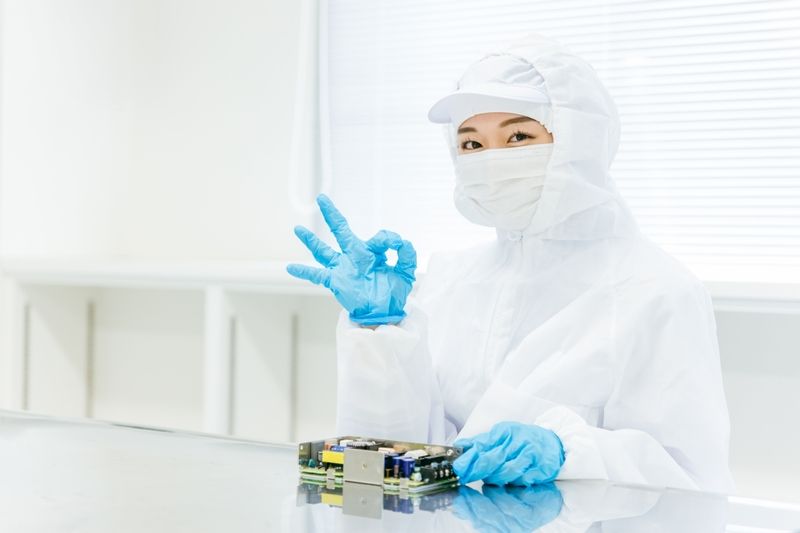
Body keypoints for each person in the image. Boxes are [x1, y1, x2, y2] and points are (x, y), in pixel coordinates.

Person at [287, 33, 734, 493]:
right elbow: (396, 458)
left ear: (579, 140)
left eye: (519, 136)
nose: (491, 161)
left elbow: (692, 481)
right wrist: (380, 334)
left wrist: (571, 452)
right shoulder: (450, 281)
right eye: (472, 145)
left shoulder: (657, 291)